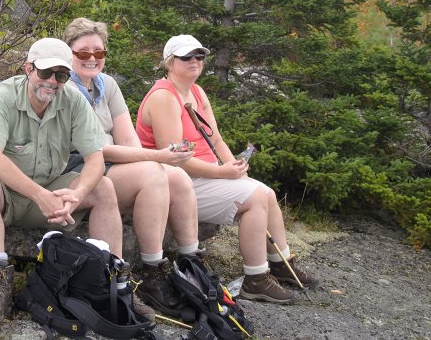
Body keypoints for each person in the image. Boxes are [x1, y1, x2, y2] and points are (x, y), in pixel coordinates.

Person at [135, 34, 318, 304]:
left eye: (199, 56)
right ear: (169, 63)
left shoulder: (196, 92)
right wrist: (224, 173)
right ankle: (255, 279)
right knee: (254, 198)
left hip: (203, 175)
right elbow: (176, 158)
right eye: (186, 57)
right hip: (177, 183)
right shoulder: (164, 97)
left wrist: (235, 166)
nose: (194, 61)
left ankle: (280, 262)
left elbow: (217, 139)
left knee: (265, 192)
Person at [0, 37, 123, 322]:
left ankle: (113, 280)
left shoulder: (73, 101)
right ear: (28, 69)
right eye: (45, 72)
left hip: (48, 193)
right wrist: (40, 195)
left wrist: (78, 193)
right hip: (3, 197)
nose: (51, 81)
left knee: (103, 186)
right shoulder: (2, 96)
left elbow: (95, 159)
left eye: (60, 75)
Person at [62, 18, 201, 317]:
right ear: (69, 53)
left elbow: (128, 138)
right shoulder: (65, 89)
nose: (92, 59)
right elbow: (95, 148)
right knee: (153, 172)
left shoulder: (106, 84)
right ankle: (152, 271)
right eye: (83, 52)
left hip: (111, 163)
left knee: (176, 176)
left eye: (98, 52)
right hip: (79, 167)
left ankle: (193, 264)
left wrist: (158, 160)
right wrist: (157, 158)